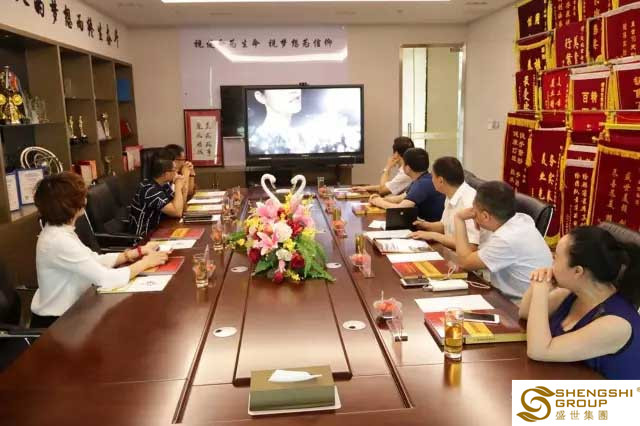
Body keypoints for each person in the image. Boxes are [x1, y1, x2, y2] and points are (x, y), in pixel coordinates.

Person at [32, 172, 168, 327]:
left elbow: (92, 260)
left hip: (76, 309)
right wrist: (145, 263)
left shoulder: (59, 231)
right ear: (70, 205)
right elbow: (105, 279)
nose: (85, 199)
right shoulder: (58, 240)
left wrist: (134, 253)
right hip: (59, 323)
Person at [518, 226, 640, 379]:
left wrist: (541, 290)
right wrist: (539, 282)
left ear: (577, 271)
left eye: (556, 258)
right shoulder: (573, 294)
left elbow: (538, 351)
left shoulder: (615, 324)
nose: (551, 263)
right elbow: (525, 312)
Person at [454, 181, 552, 300]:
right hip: (530, 297)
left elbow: (464, 262)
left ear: (485, 216)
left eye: (474, 211)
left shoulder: (506, 239)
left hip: (519, 304)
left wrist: (459, 218)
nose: (472, 214)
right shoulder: (522, 219)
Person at [408, 157, 481, 249]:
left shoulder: (469, 202)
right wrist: (425, 225)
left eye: (432, 176)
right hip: (451, 250)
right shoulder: (450, 194)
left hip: (465, 255)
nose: (431, 180)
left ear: (440, 181)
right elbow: (445, 226)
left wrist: (434, 236)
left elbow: (471, 246)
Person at [369, 148, 445, 222]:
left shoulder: (422, 184)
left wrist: (378, 202)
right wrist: (380, 199)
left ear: (408, 168)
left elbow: (400, 209)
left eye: (403, 163)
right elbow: (401, 198)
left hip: (430, 227)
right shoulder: (423, 178)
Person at [129, 154, 187, 237]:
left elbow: (180, 208)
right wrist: (178, 186)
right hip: (146, 237)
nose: (176, 173)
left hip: (161, 229)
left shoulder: (163, 185)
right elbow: (177, 212)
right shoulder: (149, 190)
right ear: (165, 174)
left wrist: (183, 190)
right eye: (174, 170)